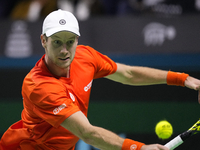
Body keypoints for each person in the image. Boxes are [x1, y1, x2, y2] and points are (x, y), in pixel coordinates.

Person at [0, 9, 200, 150]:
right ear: (43, 40)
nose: (64, 50)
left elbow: (129, 74)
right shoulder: (39, 86)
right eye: (57, 42)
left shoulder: (84, 56)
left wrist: (185, 79)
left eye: (70, 42)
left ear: (77, 40)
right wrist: (140, 148)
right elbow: (88, 133)